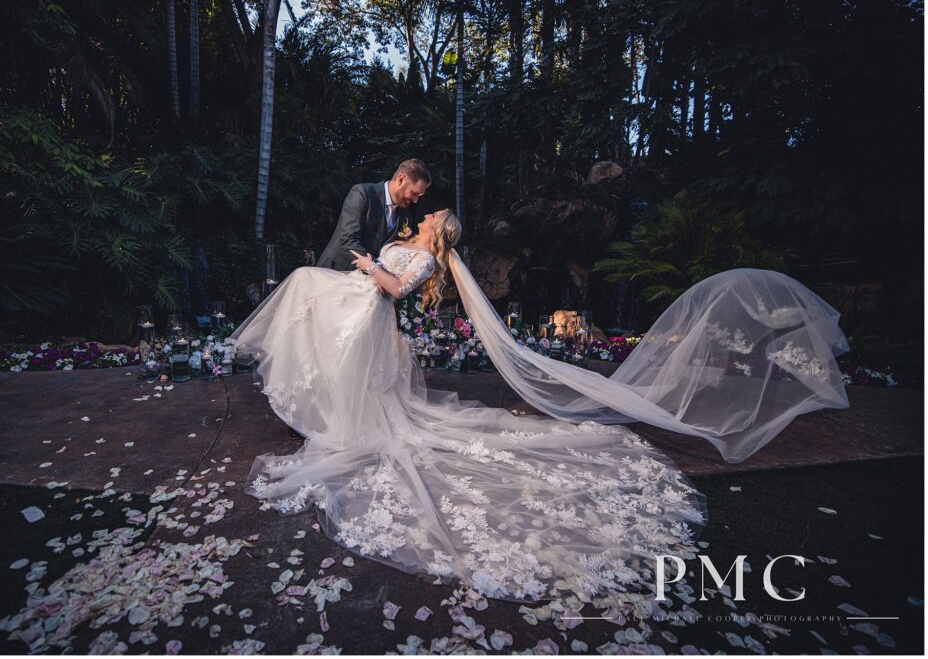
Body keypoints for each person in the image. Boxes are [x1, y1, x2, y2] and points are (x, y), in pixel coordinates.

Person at [227, 208, 850, 606]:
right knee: (308, 289)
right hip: (359, 311)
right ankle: (326, 406)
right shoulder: (403, 236)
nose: (434, 210)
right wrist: (369, 261)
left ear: (438, 234)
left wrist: (367, 264)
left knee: (312, 294)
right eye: (437, 209)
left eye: (438, 214)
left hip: (368, 308)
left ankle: (341, 420)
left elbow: (392, 286)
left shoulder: (419, 258)